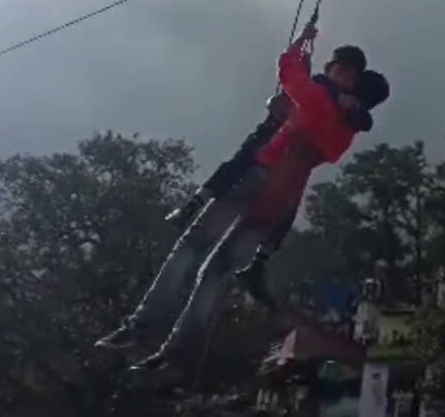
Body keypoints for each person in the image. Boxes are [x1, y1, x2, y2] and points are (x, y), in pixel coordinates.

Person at [94, 24, 389, 382]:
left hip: (257, 179)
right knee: (218, 271)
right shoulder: (346, 133)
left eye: (346, 72)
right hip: (280, 200)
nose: (341, 75)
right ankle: (178, 353)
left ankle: (142, 326)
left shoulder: (315, 97)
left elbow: (287, 69)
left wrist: (302, 43)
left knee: (193, 246)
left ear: (351, 84)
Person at [160, 44, 373, 304]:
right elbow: (304, 82)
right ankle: (197, 204)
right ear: (330, 69)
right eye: (340, 72)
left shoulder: (343, 112)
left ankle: (257, 260)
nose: (343, 79)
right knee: (238, 166)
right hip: (271, 144)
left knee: (284, 208)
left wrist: (349, 105)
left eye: (350, 78)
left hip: (284, 162)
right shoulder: (319, 88)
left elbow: (361, 120)